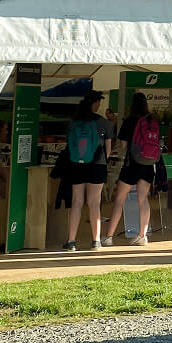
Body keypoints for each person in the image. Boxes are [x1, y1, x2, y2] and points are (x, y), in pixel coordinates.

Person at [102, 92, 159, 247]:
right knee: (143, 199)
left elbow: (123, 146)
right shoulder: (151, 120)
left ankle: (108, 237)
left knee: (119, 199)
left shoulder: (129, 121)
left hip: (131, 164)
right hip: (148, 165)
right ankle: (142, 236)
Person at [64, 90, 114, 251]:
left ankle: (71, 241)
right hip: (97, 166)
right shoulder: (104, 123)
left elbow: (70, 146)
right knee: (94, 203)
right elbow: (108, 150)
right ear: (96, 103)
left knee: (77, 202)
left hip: (77, 165)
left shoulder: (74, 122)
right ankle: (96, 241)